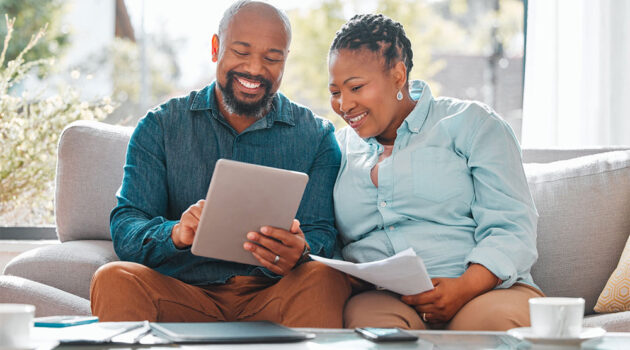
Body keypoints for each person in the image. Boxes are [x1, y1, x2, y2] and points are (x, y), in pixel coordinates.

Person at [90, 0, 351, 327]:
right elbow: (127, 225)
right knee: (114, 278)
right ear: (216, 48)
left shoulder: (316, 136)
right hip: (182, 291)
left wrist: (301, 250)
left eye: (272, 58)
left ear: (285, 61)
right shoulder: (160, 126)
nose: (255, 69)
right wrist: (175, 233)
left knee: (324, 277)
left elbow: (323, 232)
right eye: (241, 52)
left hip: (273, 293)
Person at [328, 14, 544, 331]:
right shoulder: (337, 147)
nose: (344, 104)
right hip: (384, 298)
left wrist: (464, 288)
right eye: (335, 92)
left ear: (398, 75)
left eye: (356, 87)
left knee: (481, 330)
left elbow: (513, 226)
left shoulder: (472, 123)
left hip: (485, 290)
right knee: (376, 335)